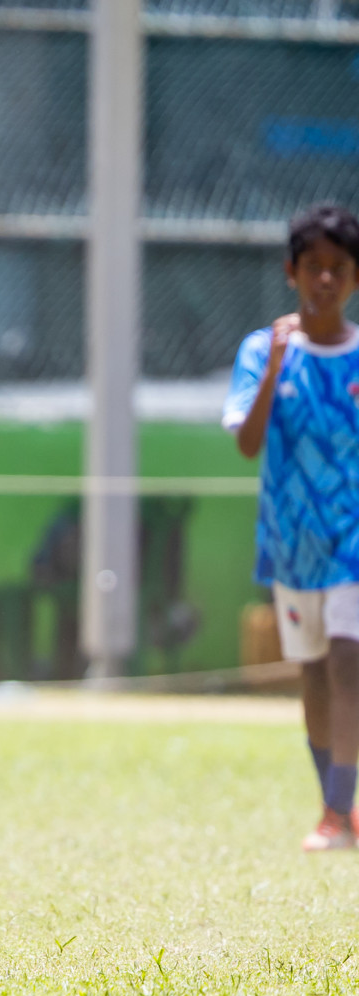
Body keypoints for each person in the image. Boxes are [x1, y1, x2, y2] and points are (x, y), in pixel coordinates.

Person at [224, 204, 359, 852]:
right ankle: (335, 803)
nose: (325, 280)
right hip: (292, 544)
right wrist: (275, 369)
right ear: (292, 272)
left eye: (338, 268)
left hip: (353, 542)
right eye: (314, 267)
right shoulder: (261, 350)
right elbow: (247, 444)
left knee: (347, 661)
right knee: (312, 674)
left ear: (355, 278)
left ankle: (339, 811)